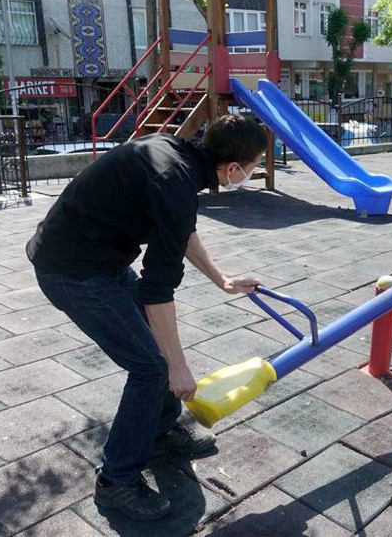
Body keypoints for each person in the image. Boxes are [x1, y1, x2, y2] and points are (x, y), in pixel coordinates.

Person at [26, 114, 268, 520]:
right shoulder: (175, 183)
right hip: (72, 271)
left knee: (157, 353)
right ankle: (116, 481)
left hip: (95, 256)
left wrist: (222, 279)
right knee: (152, 367)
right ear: (232, 169)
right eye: (255, 165)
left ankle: (157, 431)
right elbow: (157, 291)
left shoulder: (176, 154)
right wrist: (179, 368)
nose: (252, 172)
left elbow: (182, 229)